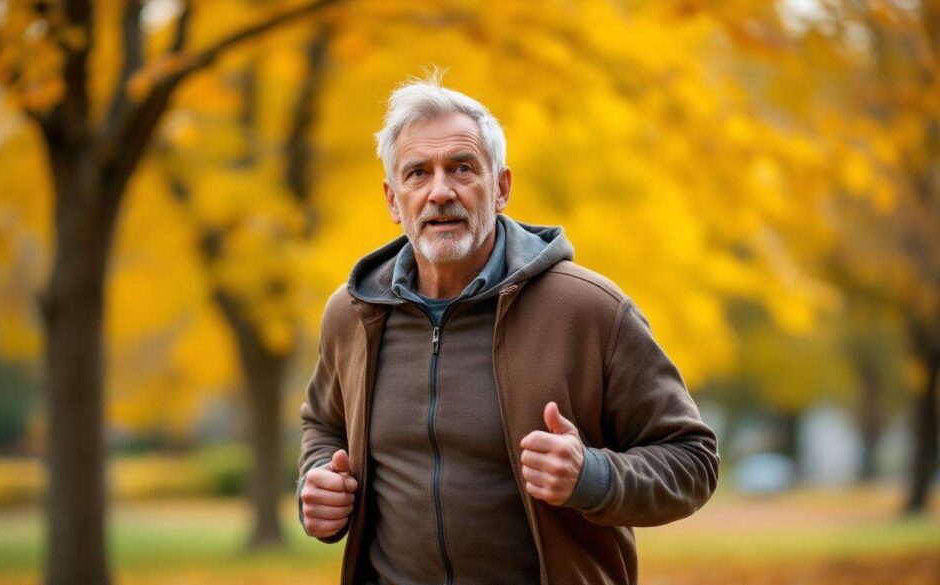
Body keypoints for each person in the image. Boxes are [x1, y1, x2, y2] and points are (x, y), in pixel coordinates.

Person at [296, 74, 719, 585]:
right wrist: (318, 485)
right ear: (392, 200)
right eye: (417, 174)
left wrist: (593, 477)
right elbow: (323, 425)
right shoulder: (353, 314)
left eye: (462, 168)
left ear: (501, 188)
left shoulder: (590, 310)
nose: (440, 192)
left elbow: (693, 461)